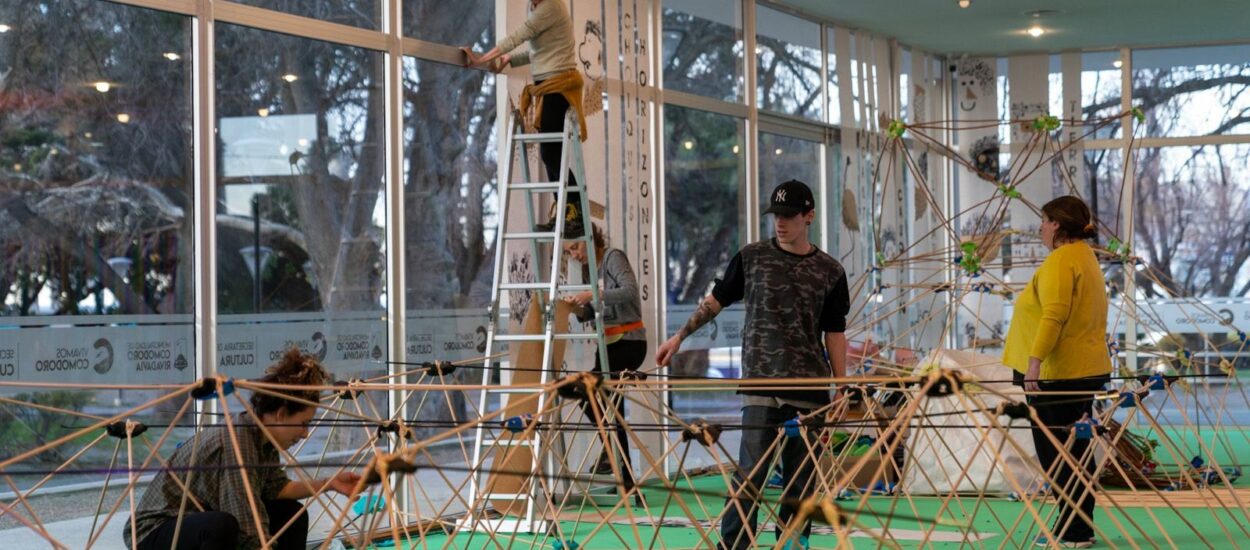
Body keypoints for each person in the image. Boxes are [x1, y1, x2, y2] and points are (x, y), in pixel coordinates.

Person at [656, 180, 850, 550]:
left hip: (809, 388)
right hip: (760, 382)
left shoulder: (830, 271)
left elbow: (834, 333)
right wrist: (679, 338)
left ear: (809, 216)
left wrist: (842, 386)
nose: (781, 223)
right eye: (776, 215)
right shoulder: (751, 257)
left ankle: (792, 545)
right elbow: (715, 301)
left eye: (790, 216)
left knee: (800, 481)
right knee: (750, 475)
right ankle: (733, 546)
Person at [125, 349, 362, 550]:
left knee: (292, 513)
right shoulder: (239, 440)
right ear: (280, 415)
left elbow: (278, 489)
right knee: (222, 525)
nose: (304, 433)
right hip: (154, 530)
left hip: (197, 520)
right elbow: (246, 521)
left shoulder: (263, 437)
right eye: (303, 423)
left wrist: (329, 483)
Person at [1003, 195, 1112, 549]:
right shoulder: (1085, 258)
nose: (1039, 227)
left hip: (1057, 371)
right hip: (1082, 368)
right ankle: (1077, 527)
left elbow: (1054, 314)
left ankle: (1074, 530)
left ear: (1057, 226)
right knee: (1075, 451)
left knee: (1058, 455)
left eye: (1043, 220)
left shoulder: (1061, 261)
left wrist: (1034, 361)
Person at [463, 0, 587, 236]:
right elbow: (538, 50)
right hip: (547, 85)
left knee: (551, 153)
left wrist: (480, 59)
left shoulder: (551, 5)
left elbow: (519, 36)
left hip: (559, 85)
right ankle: (566, 212)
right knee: (551, 154)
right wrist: (511, 60)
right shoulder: (536, 7)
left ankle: (574, 214)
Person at [562, 224, 647, 493]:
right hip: (608, 343)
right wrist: (578, 310)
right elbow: (596, 312)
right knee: (592, 398)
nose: (574, 255)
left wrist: (592, 295)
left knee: (610, 405)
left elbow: (630, 291)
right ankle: (620, 467)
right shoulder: (590, 270)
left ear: (592, 238)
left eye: (575, 247)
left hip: (628, 341)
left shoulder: (612, 257)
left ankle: (616, 461)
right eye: (568, 252)